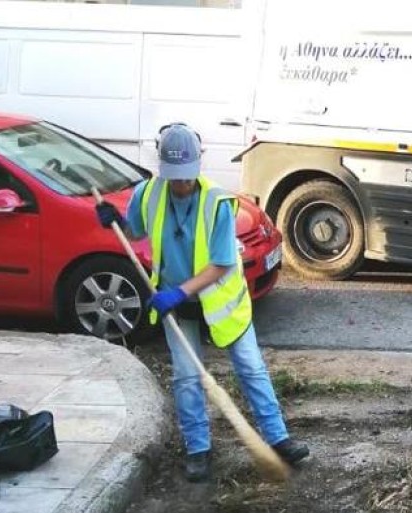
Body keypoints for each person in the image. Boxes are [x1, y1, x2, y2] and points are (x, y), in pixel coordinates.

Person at [96, 123, 309, 482]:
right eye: (174, 177)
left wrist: (180, 292)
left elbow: (222, 263)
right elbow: (135, 231)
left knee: (250, 369)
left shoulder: (218, 203)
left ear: (198, 166)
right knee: (186, 377)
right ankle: (198, 449)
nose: (180, 185)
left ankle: (278, 439)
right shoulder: (147, 194)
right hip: (176, 304)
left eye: (186, 177)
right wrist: (115, 221)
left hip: (220, 300)